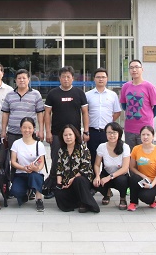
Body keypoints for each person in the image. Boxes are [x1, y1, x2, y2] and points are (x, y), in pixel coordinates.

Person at [44, 66, 89, 199]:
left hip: (75, 135)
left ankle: (75, 185)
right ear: (59, 78)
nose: (66, 79)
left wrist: (86, 131)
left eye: (68, 76)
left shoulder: (79, 93)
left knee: (76, 160)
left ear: (73, 78)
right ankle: (54, 185)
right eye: (63, 77)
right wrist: (48, 132)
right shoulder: (53, 93)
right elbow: (47, 113)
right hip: (57, 133)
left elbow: (85, 113)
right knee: (56, 159)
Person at [54, 124, 100, 213]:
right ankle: (77, 202)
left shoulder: (82, 148)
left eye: (70, 134)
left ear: (75, 135)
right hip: (67, 181)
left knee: (79, 180)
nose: (68, 137)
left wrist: (73, 179)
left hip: (82, 179)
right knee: (58, 192)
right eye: (65, 135)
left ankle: (87, 204)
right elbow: (59, 168)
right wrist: (59, 184)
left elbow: (85, 167)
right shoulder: (61, 150)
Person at [119, 60, 156, 150]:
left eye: (137, 67)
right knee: (131, 155)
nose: (134, 70)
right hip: (129, 128)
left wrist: (148, 117)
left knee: (146, 154)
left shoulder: (149, 87)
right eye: (131, 68)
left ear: (142, 69)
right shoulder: (125, 87)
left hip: (145, 128)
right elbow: (124, 105)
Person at [86, 68, 122, 165]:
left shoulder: (112, 95)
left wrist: (109, 122)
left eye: (103, 77)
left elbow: (117, 112)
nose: (101, 79)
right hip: (92, 132)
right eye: (98, 77)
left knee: (108, 160)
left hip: (107, 133)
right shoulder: (88, 95)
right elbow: (85, 113)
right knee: (92, 159)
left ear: (107, 79)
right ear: (94, 79)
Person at [1, 69, 45, 148]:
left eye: (24, 78)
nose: (21, 80)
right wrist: (3, 130)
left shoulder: (36, 94)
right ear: (15, 80)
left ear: (28, 79)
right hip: (12, 133)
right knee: (13, 155)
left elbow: (40, 114)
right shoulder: (9, 95)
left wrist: (41, 130)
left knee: (30, 154)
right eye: (19, 78)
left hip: (29, 132)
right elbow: (5, 114)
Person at [10, 117, 46, 212]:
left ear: (33, 129)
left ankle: (38, 199)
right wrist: (23, 168)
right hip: (21, 173)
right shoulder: (16, 143)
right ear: (21, 128)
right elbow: (13, 162)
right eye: (24, 127)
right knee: (16, 192)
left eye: (29, 128)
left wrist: (36, 169)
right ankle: (27, 192)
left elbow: (41, 162)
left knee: (35, 176)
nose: (27, 130)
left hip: (34, 173)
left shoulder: (39, 144)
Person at [92, 122, 130, 210]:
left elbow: (125, 168)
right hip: (106, 173)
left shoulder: (125, 147)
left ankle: (122, 198)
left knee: (122, 180)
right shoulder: (102, 147)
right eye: (109, 132)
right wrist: (97, 176)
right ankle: (107, 193)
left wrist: (109, 177)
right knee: (95, 182)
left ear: (119, 134)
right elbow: (97, 164)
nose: (111, 135)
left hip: (120, 175)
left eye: (114, 133)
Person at [128, 125, 156, 211]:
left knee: (145, 197)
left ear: (153, 136)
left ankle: (152, 200)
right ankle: (133, 202)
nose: (145, 137)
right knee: (133, 178)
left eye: (148, 135)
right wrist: (143, 176)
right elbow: (132, 167)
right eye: (143, 134)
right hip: (142, 179)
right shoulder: (136, 149)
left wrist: (151, 185)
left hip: (155, 182)